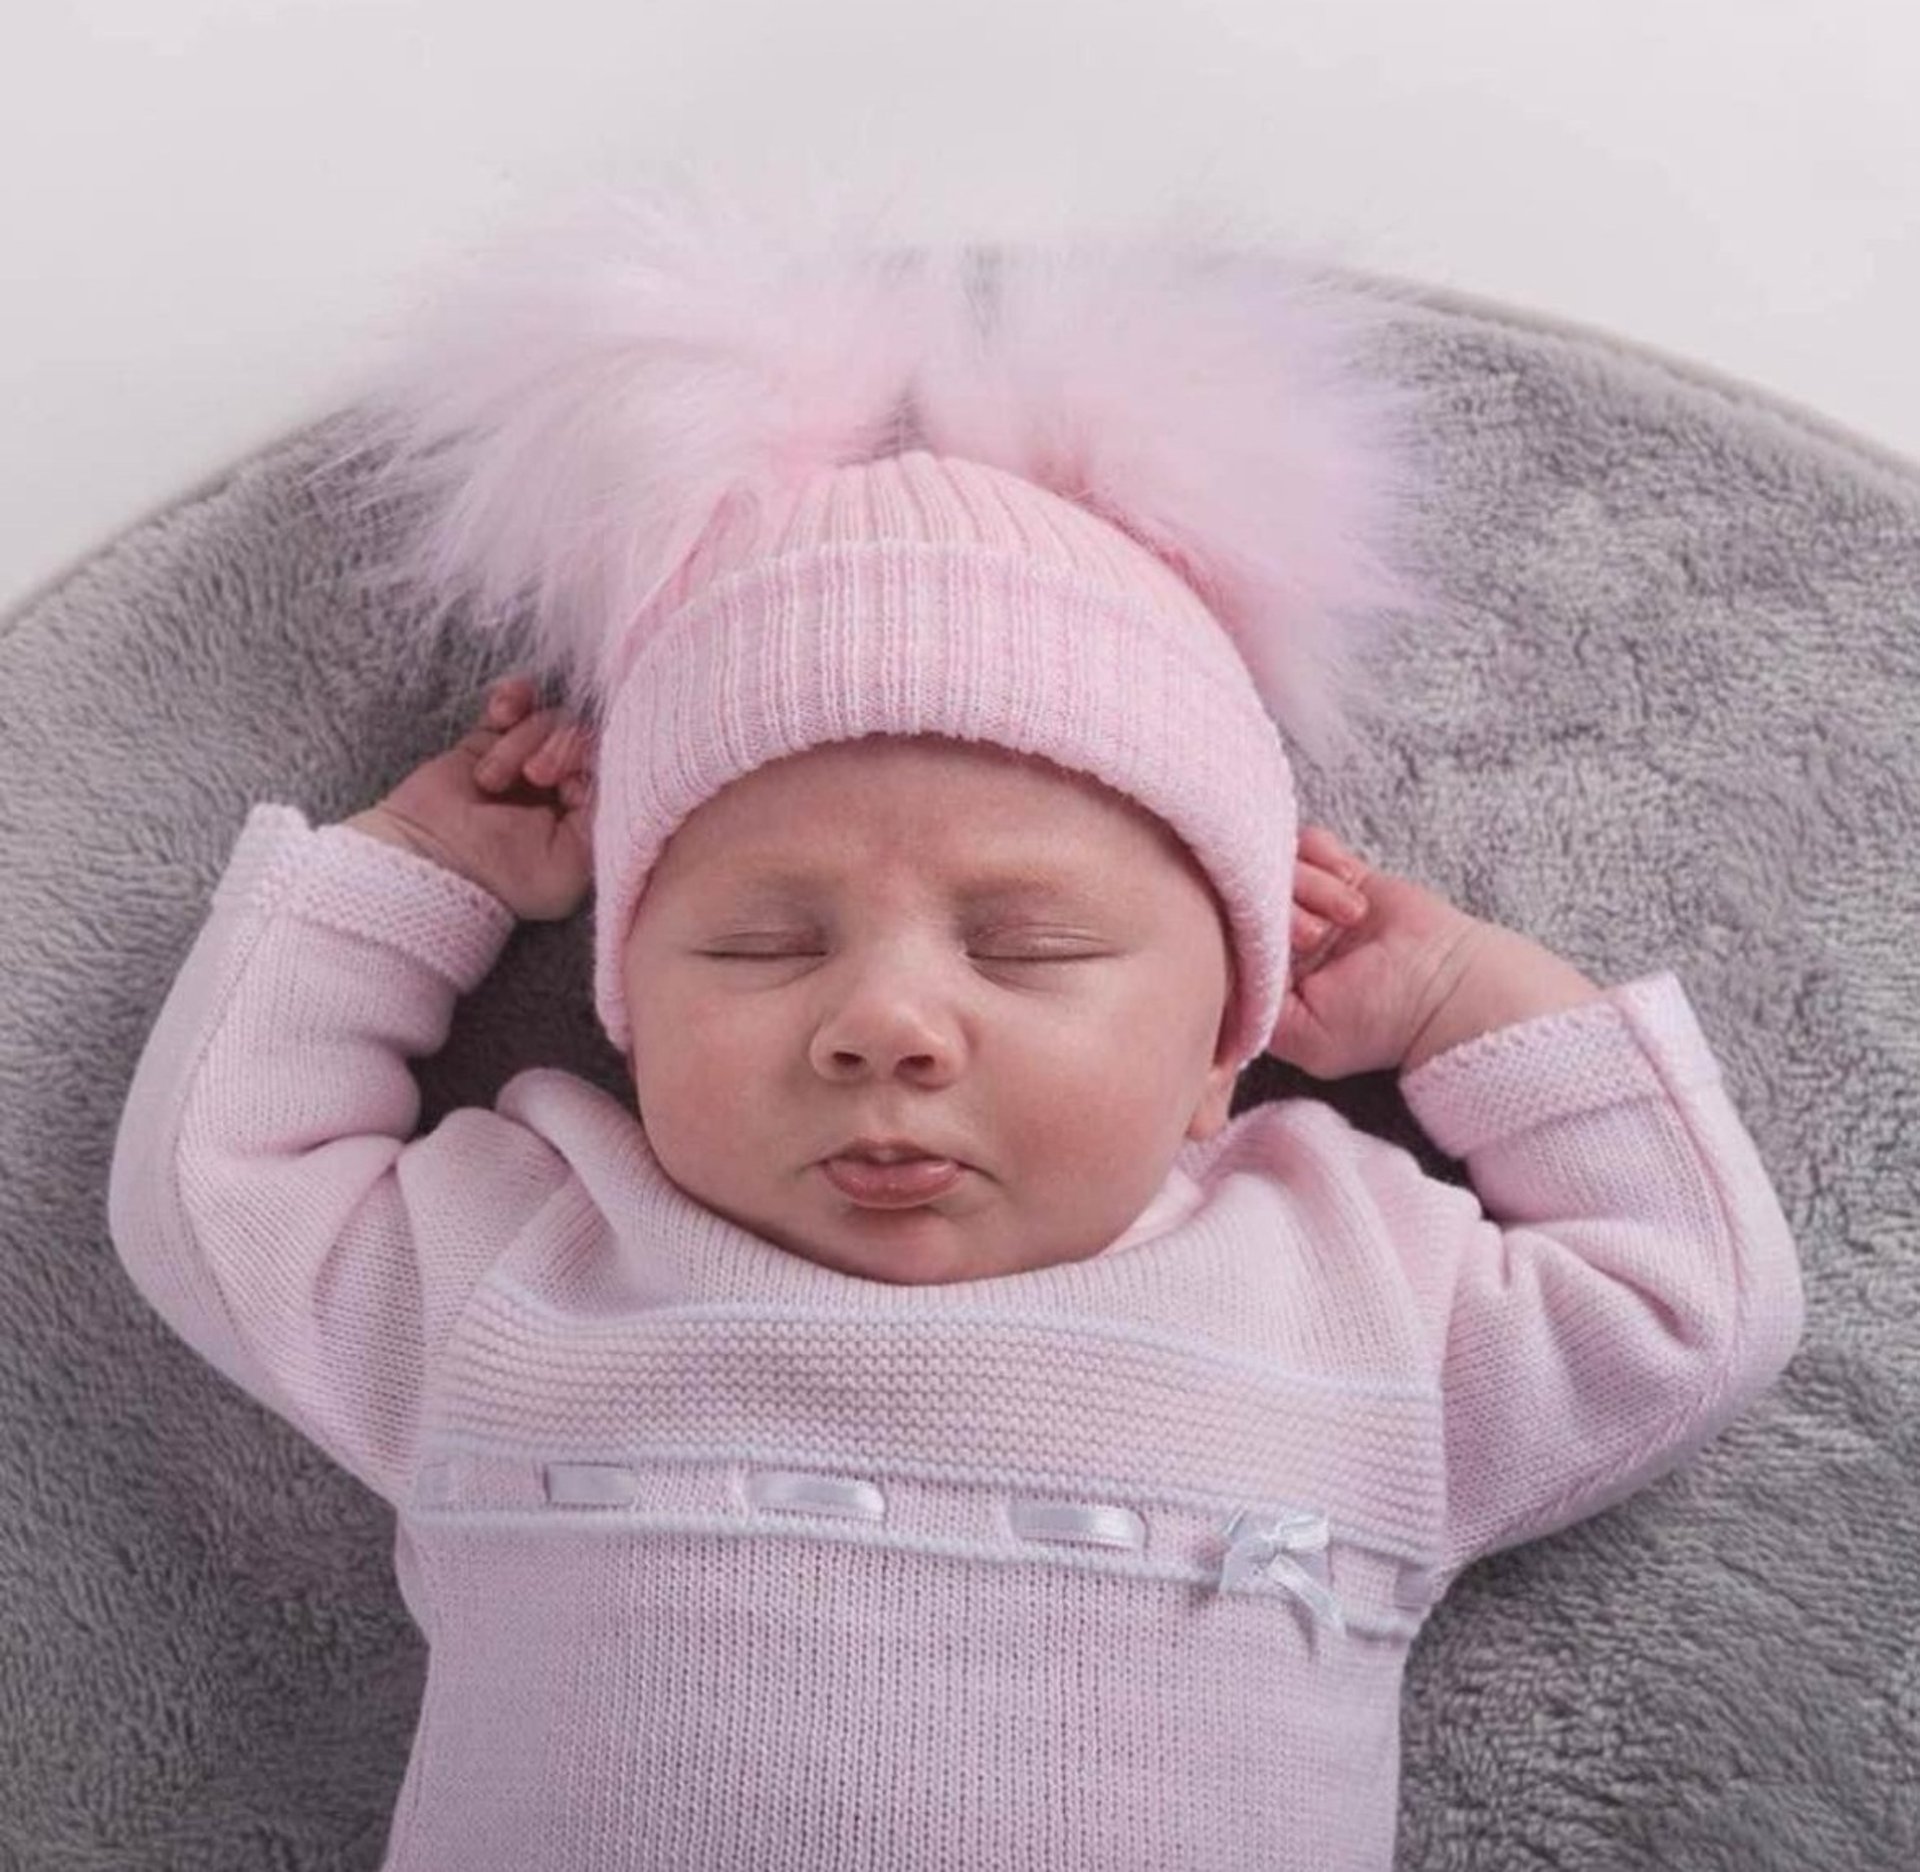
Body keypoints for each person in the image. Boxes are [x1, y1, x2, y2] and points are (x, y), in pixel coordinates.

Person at [106, 173, 1804, 1870]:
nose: (888, 1025)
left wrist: (1458, 1003)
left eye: (1030, 945)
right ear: (625, 1013)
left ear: (1229, 1037)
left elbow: (1687, 1304)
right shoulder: (530, 1263)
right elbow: (220, 1190)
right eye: (764, 946)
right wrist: (416, 874)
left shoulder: (1352, 1296)